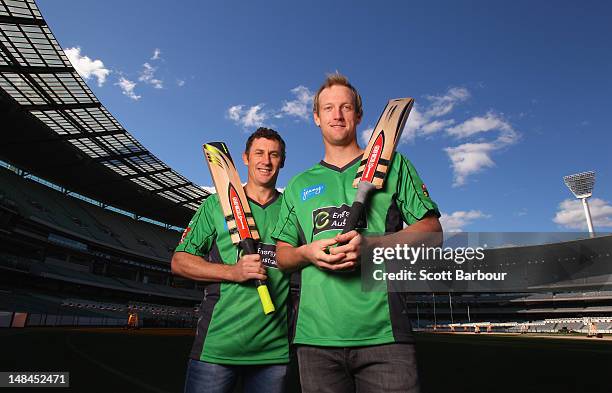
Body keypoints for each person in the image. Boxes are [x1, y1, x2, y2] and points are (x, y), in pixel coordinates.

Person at [272, 73, 442, 393]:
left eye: (346, 107)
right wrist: (307, 252)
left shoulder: (395, 165)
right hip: (315, 339)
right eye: (328, 108)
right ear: (316, 117)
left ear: (359, 115)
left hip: (385, 337)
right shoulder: (299, 184)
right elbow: (282, 256)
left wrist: (372, 245)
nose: (337, 115)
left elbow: (432, 232)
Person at [172, 128, 290, 393]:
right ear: (245, 158)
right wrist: (233, 272)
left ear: (282, 161)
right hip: (217, 349)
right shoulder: (215, 205)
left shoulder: (291, 210)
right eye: (259, 153)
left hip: (273, 353)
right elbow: (179, 262)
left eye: (274, 155)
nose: (266, 160)